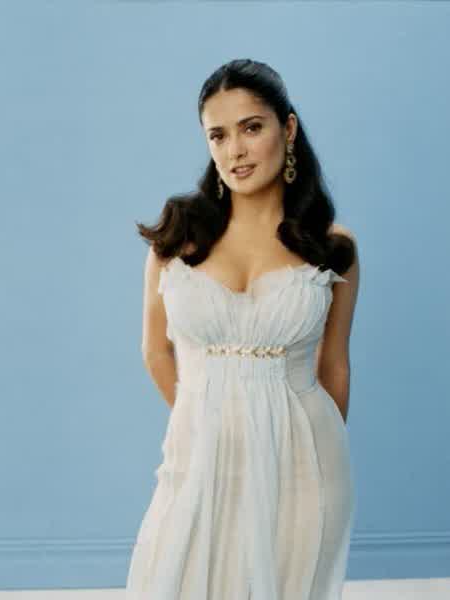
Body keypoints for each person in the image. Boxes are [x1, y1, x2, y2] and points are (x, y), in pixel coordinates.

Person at [127, 58, 359, 600]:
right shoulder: (176, 240)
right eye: (218, 135)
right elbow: (155, 351)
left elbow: (335, 366)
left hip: (305, 464)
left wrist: (307, 449)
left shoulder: (332, 247)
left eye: (251, 128)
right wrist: (209, 422)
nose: (235, 150)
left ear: (288, 129)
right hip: (200, 454)